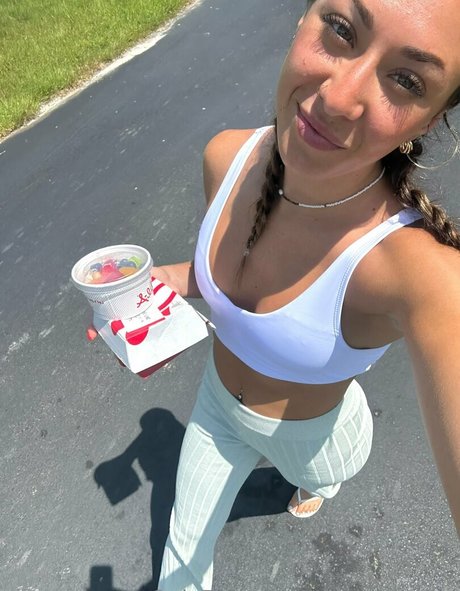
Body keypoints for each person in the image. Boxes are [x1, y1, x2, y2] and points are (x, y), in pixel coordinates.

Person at [89, 0, 460, 588]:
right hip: (215, 411)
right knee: (181, 559)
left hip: (319, 442)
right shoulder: (225, 157)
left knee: (319, 479)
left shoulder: (421, 274)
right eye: (341, 28)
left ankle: (318, 486)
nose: (338, 98)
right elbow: (231, 277)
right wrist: (161, 289)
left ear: (428, 122)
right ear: (302, 18)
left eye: (408, 80)